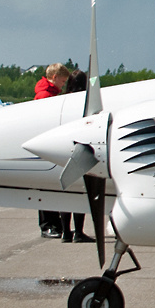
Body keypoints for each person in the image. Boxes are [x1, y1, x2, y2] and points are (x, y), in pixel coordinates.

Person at [58, 71, 96, 244]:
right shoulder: (85, 102)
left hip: (62, 149)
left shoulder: (62, 101)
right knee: (79, 192)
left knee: (66, 192)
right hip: (79, 147)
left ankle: (66, 232)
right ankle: (79, 232)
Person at [35, 64, 70, 238]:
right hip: (47, 144)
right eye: (62, 81)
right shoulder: (45, 96)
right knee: (46, 185)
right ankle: (48, 225)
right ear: (54, 77)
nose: (63, 85)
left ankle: (54, 224)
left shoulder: (50, 94)